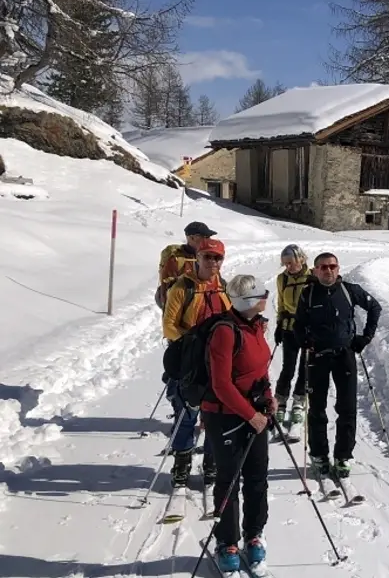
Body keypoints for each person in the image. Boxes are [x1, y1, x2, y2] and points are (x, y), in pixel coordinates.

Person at [201, 274, 276, 574]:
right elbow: (221, 385)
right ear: (248, 301)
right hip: (225, 416)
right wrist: (251, 415)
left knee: (257, 477)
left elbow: (260, 369)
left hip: (254, 413)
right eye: (261, 295)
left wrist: (268, 397)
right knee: (229, 480)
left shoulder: (255, 325)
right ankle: (227, 542)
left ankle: (254, 534)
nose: (266, 297)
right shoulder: (225, 331)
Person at [293, 252, 381, 478]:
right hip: (318, 356)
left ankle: (343, 455)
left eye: (332, 266)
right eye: (323, 267)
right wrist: (303, 339)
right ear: (315, 270)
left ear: (338, 268)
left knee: (347, 408)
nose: (328, 270)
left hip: (345, 355)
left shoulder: (350, 290)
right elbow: (298, 323)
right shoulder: (308, 294)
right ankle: (319, 455)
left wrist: (366, 337)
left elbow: (375, 308)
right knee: (317, 409)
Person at [162, 237, 231, 488]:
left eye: (217, 258)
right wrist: (192, 343)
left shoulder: (223, 286)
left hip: (217, 362)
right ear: (198, 258)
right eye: (208, 257)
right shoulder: (183, 287)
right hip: (189, 361)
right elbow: (169, 326)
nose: (213, 262)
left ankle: (212, 463)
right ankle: (181, 464)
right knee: (186, 414)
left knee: (215, 416)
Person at [272, 244, 311, 427]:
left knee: (305, 366)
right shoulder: (282, 279)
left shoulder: (311, 277)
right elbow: (281, 303)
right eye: (285, 263)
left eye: (291, 262)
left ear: (300, 259)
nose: (288, 266)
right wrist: (279, 324)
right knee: (288, 367)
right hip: (289, 327)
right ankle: (280, 400)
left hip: (307, 328)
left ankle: (298, 400)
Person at [156, 221, 217, 309]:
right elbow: (168, 291)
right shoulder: (176, 260)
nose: (208, 240)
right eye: (205, 237)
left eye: (209, 237)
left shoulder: (206, 256)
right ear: (192, 238)